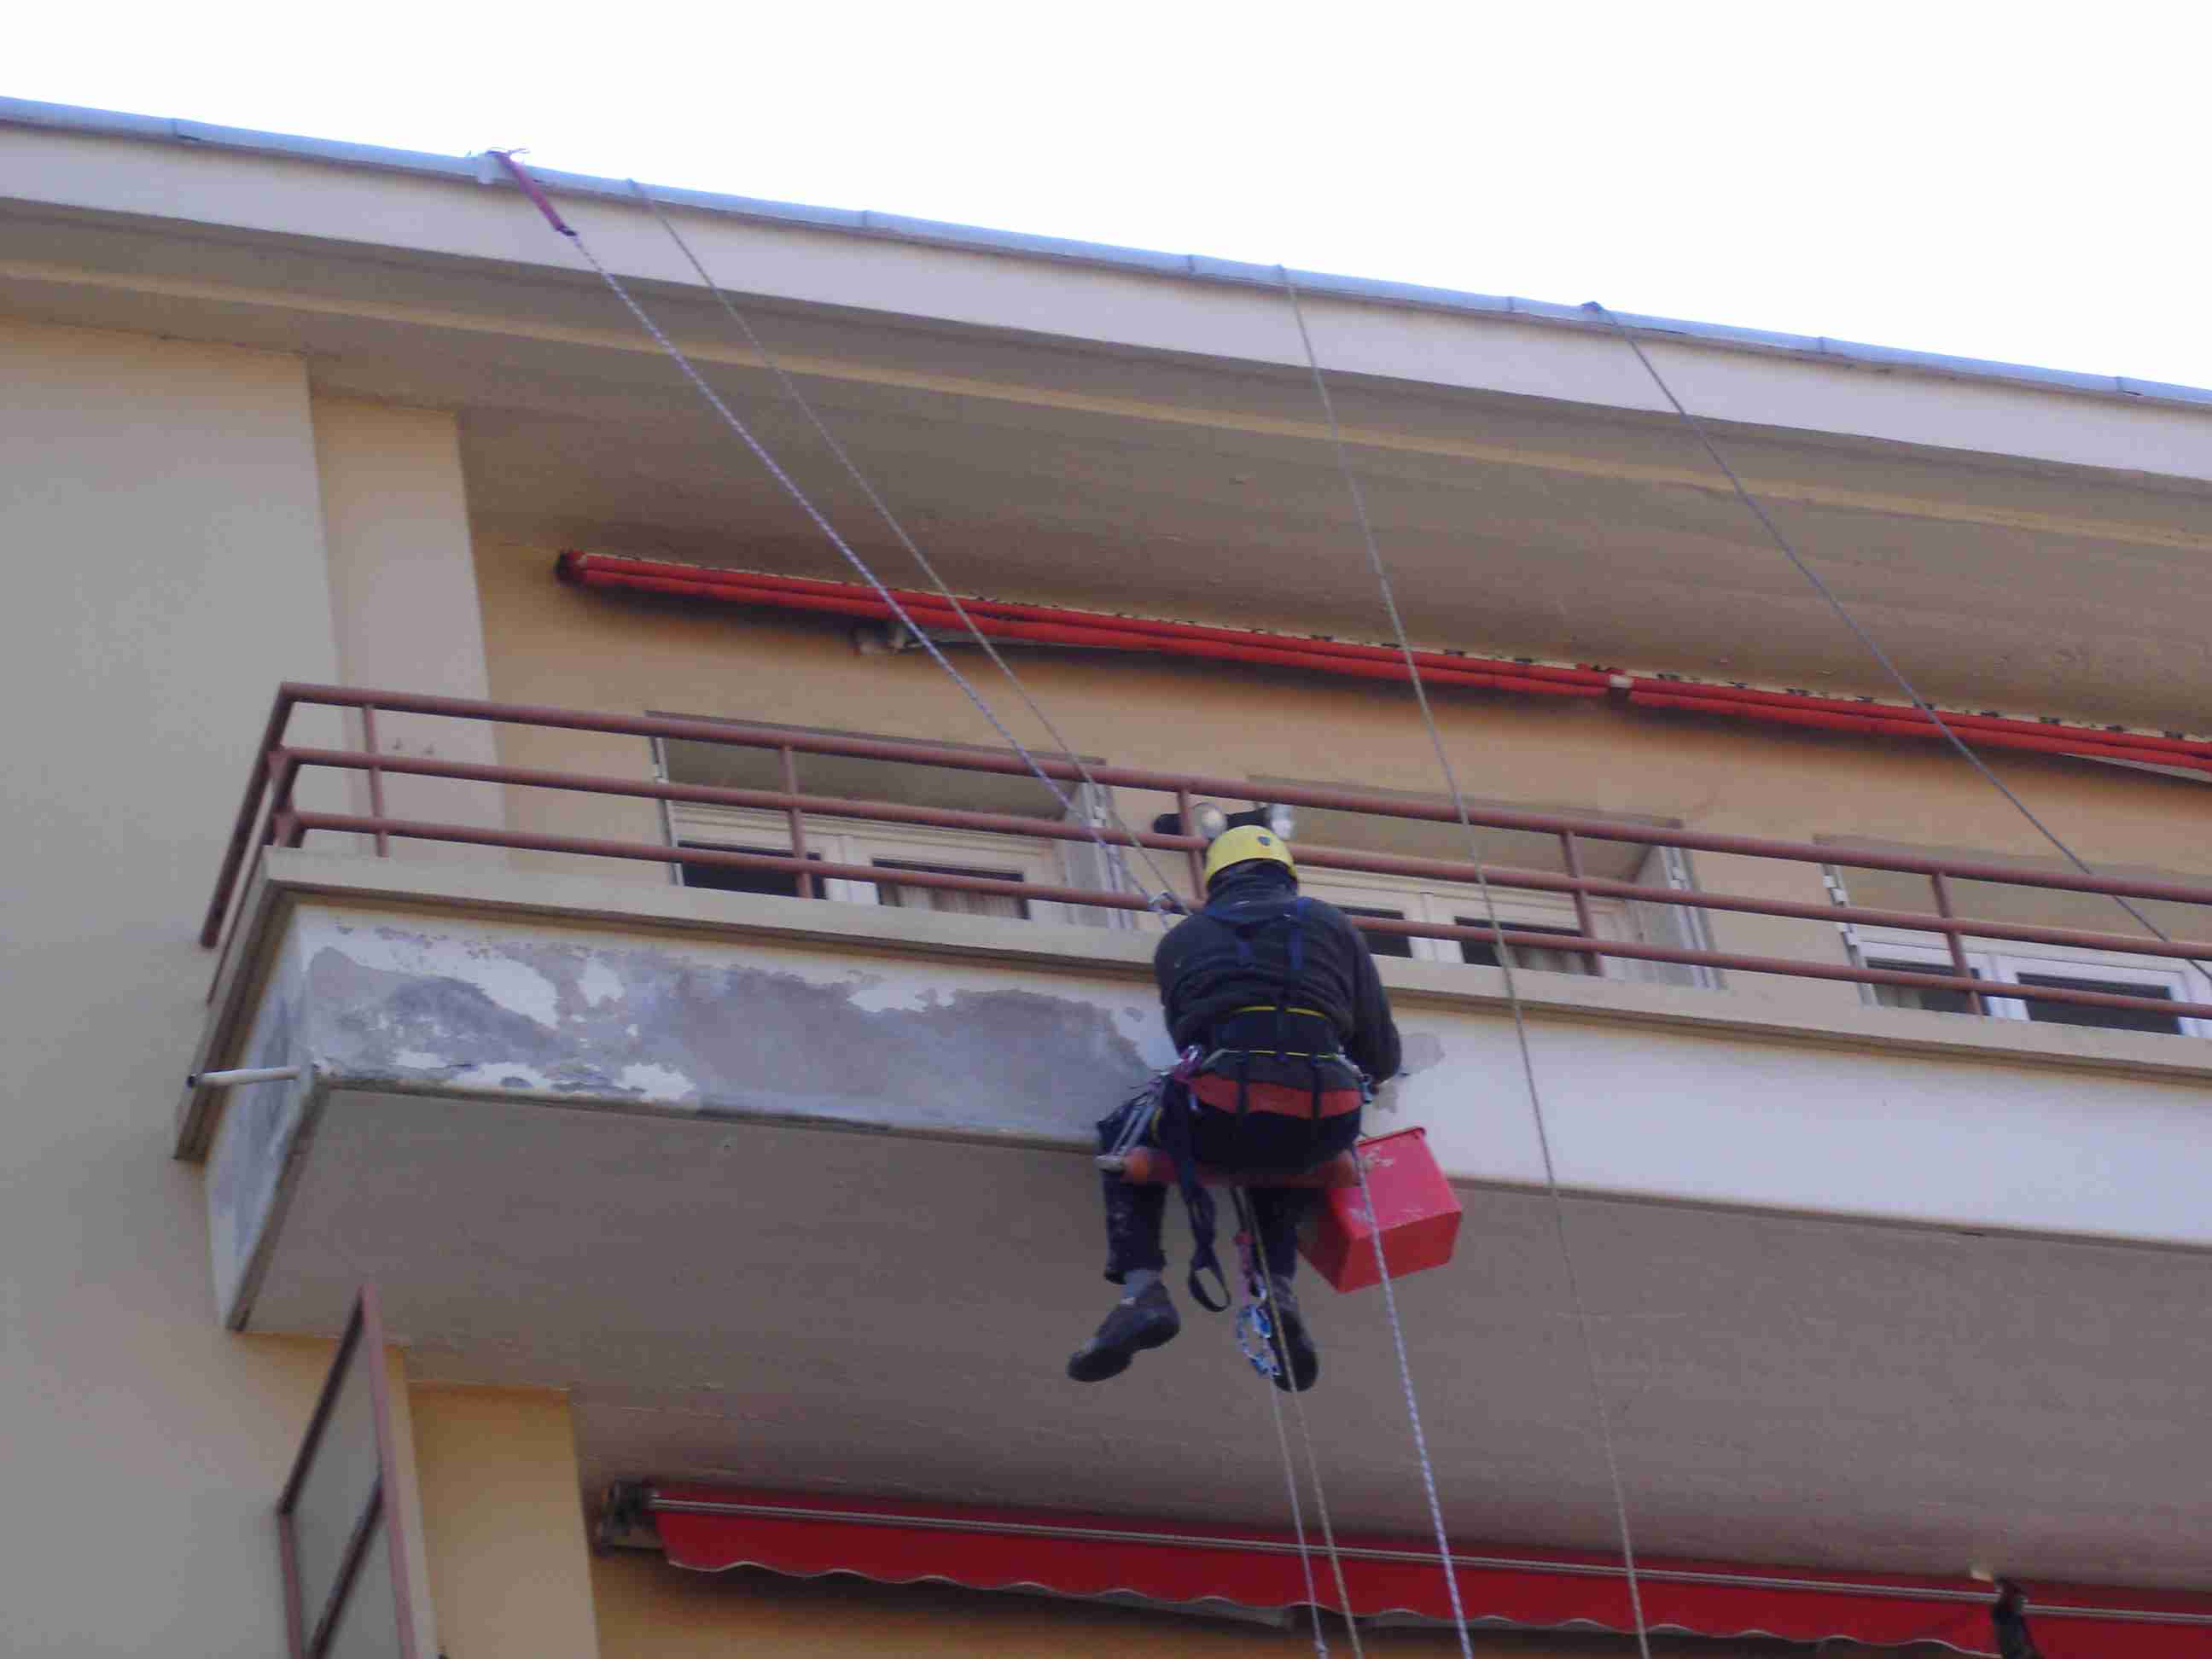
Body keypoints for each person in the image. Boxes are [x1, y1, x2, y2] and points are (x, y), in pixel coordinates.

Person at [1068, 823, 1401, 1391]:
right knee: (1285, 1149)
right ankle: (1279, 1293)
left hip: (1223, 1107)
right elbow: (1380, 1052)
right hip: (1328, 1114)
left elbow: (1188, 1040)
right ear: (1287, 876)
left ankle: (1141, 1290)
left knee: (1127, 1130)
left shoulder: (1181, 940)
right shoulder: (1333, 924)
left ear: (1215, 880)